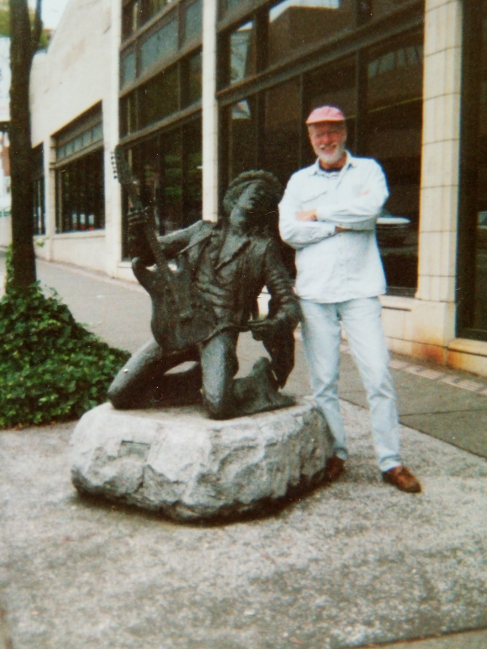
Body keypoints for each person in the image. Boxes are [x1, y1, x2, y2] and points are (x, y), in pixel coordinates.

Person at [278, 105, 421, 493]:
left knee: (378, 375)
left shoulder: (368, 171)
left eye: (332, 132)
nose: (326, 140)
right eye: (318, 134)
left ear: (344, 133)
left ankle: (390, 461)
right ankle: (335, 454)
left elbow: (370, 209)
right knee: (324, 381)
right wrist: (342, 226)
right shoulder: (297, 181)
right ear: (310, 139)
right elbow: (289, 230)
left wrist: (321, 215)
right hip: (315, 292)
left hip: (360, 290)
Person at [109, 170, 301, 419]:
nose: (257, 197)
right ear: (235, 197)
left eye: (265, 197)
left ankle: (258, 380)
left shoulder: (263, 249)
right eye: (253, 191)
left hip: (218, 333)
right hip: (180, 326)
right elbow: (149, 253)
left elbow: (290, 304)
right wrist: (136, 231)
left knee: (219, 406)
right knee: (119, 393)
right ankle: (193, 383)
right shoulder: (201, 230)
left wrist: (274, 323)